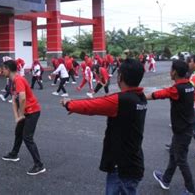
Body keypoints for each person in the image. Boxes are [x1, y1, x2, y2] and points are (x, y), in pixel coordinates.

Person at [61, 59, 147, 194]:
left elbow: (93, 106)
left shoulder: (122, 100)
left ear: (120, 77)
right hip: (133, 160)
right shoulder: (140, 97)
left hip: (122, 165)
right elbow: (100, 103)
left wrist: (69, 104)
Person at [146, 60, 195, 195]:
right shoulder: (189, 85)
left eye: (170, 69)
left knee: (181, 159)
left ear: (174, 72)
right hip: (185, 127)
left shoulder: (177, 89)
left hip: (182, 130)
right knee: (174, 154)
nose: (169, 72)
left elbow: (159, 94)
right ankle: (166, 179)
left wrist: (141, 97)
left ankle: (191, 190)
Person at [1, 60, 46, 176]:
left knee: (27, 137)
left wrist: (21, 114)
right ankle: (14, 154)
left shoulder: (18, 79)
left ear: (8, 69)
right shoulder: (11, 81)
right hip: (25, 112)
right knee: (18, 132)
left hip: (33, 111)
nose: (2, 71)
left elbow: (22, 98)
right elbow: (14, 100)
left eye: (3, 69)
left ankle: (39, 165)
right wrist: (17, 117)